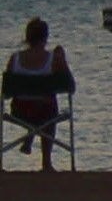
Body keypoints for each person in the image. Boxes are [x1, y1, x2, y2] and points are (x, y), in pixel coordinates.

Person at [6, 18, 70, 171]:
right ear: (46, 37)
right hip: (46, 113)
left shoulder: (15, 59)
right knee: (47, 106)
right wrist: (63, 59)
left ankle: (30, 136)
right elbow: (70, 86)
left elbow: (7, 93)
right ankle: (46, 162)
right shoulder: (53, 59)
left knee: (37, 105)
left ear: (27, 37)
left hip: (20, 112)